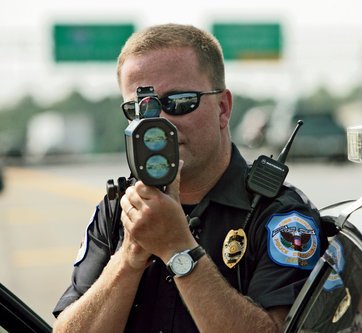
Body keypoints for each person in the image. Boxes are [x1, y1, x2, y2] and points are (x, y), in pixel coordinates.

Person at [52, 23, 326, 333]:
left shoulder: (281, 215)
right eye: (141, 109)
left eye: (179, 102)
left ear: (223, 108)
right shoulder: (119, 210)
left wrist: (177, 248)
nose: (159, 123)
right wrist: (130, 255)